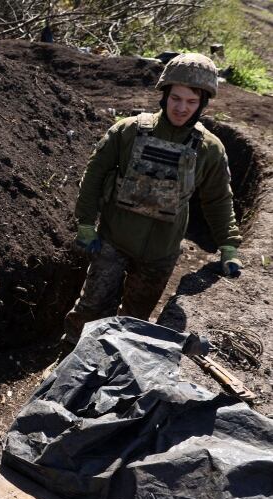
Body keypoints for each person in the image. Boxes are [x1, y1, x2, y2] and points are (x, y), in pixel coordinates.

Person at [62, 52, 242, 350]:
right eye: (176, 98)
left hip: (161, 253)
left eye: (191, 102)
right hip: (113, 242)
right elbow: (94, 175)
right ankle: (67, 357)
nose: (182, 108)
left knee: (134, 321)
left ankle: (112, 371)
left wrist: (228, 245)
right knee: (90, 310)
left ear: (203, 104)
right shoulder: (128, 130)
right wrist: (85, 223)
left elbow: (218, 199)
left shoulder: (210, 149)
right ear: (164, 94)